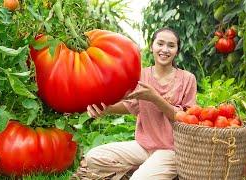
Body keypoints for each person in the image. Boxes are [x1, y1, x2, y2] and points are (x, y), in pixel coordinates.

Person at [84, 27, 197, 180]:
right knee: (93, 157)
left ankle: (151, 170)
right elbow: (130, 105)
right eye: (160, 44)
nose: (165, 49)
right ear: (152, 46)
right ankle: (147, 167)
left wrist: (155, 98)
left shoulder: (187, 79)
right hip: (143, 147)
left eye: (171, 46)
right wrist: (106, 109)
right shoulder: (140, 75)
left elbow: (187, 119)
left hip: (171, 150)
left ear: (177, 50)